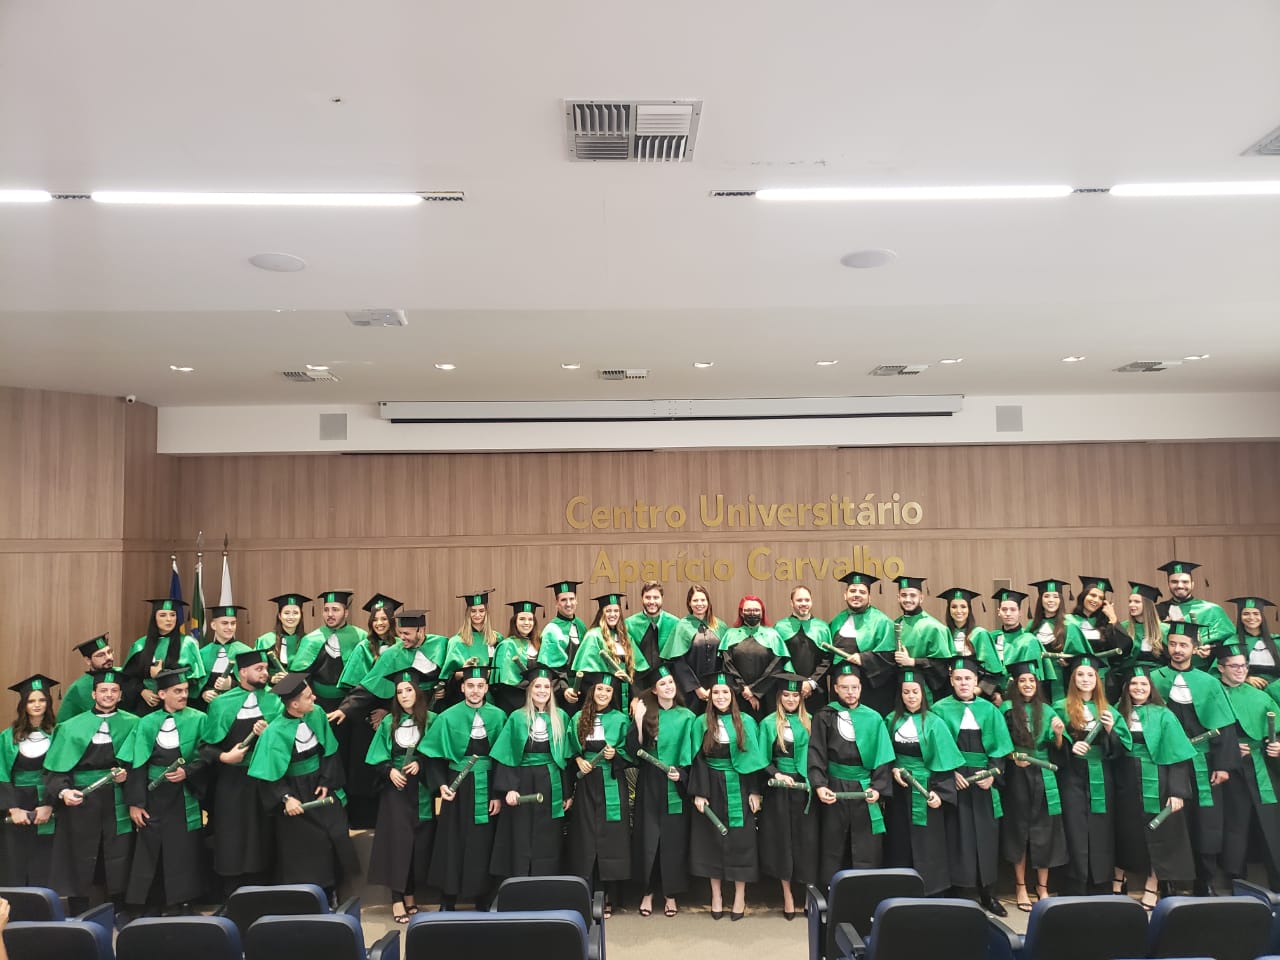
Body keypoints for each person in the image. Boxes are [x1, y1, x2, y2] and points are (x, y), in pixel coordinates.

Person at [247, 673, 360, 897]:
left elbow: (329, 751)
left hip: (321, 788)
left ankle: (334, 892)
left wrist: (327, 781)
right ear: (295, 704)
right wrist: (286, 798)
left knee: (336, 834)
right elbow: (268, 775)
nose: (314, 698)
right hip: (295, 793)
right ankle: (311, 896)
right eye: (308, 697)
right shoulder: (274, 732)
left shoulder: (317, 714)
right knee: (308, 845)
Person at [1150, 621, 1240, 895]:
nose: (1177, 649)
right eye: (1173, 644)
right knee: (1172, 819)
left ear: (1194, 648)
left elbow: (1225, 727)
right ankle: (1169, 884)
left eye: (1183, 645)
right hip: (1167, 761)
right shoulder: (1154, 679)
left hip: (1203, 761)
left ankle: (1205, 882)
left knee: (1206, 821)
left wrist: (1223, 766)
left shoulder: (1209, 682)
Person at [43, 668, 139, 914]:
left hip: (117, 800)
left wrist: (127, 777)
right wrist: (64, 793)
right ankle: (79, 910)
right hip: (81, 800)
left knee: (118, 853)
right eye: (103, 690)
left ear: (120, 695)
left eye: (114, 691)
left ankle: (119, 909)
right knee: (79, 854)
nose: (109, 695)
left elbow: (140, 765)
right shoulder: (70, 727)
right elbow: (54, 772)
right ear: (94, 694)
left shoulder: (134, 724)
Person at [118, 668, 208, 914]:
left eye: (186, 691)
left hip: (184, 793)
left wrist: (187, 772)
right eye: (177, 691)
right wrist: (136, 803)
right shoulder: (146, 722)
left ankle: (182, 904)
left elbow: (207, 755)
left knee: (183, 850)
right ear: (162, 694)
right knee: (151, 850)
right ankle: (151, 905)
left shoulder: (199, 718)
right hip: (152, 795)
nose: (183, 695)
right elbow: (137, 763)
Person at [932, 657, 1014, 915]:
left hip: (983, 779)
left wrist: (993, 774)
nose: (963, 683)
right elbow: (936, 747)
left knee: (986, 837)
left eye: (968, 678)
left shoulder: (989, 710)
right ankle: (961, 892)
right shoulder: (939, 709)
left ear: (976, 681)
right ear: (951, 681)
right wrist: (951, 772)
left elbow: (1001, 750)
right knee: (959, 837)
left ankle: (988, 893)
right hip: (955, 780)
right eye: (958, 679)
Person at [419, 665, 506, 910]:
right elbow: (431, 756)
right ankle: (448, 900)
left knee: (483, 843)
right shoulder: (448, 716)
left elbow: (504, 758)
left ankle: (483, 899)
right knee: (452, 842)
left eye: (480, 686)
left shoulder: (499, 716)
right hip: (457, 786)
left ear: (486, 688)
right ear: (462, 688)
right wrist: (441, 785)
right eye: (470, 686)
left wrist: (497, 794)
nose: (475, 691)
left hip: (487, 785)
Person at [197, 649, 281, 893]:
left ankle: (263, 892)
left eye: (266, 668)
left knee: (263, 835)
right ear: (242, 672)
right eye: (259, 669)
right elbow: (205, 747)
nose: (265, 673)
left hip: (264, 777)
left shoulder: (275, 700)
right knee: (231, 835)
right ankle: (232, 894)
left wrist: (269, 735)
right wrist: (224, 757)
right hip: (231, 780)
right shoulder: (221, 703)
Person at [1112, 665, 1195, 909]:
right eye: (1134, 683)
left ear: (1151, 688)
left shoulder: (1164, 714)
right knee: (1123, 830)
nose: (1139, 688)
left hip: (1158, 778)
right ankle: (1118, 881)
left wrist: (1177, 791)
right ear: (1126, 687)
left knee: (1159, 833)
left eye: (1144, 684)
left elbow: (1178, 755)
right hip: (1124, 780)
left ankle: (1152, 885)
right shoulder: (1117, 712)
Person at [807, 663, 894, 885]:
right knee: (832, 843)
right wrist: (819, 785)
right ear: (836, 688)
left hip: (864, 788)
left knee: (866, 845)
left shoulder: (874, 718)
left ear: (861, 688)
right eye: (845, 687)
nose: (850, 692)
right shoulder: (824, 716)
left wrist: (878, 787)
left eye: (854, 687)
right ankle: (829, 894)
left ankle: (866, 893)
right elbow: (816, 752)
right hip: (834, 786)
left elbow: (883, 756)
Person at [688, 673, 766, 921]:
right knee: (712, 839)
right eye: (716, 692)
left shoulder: (746, 721)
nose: (720, 696)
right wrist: (699, 792)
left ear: (732, 696)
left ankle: (740, 896)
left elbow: (753, 760)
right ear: (709, 696)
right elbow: (697, 760)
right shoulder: (701, 722)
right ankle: (717, 896)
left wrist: (755, 791)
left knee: (741, 840)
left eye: (725, 692)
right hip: (710, 785)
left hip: (739, 785)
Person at [1052, 654, 1131, 896]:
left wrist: (1110, 729)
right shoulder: (1060, 707)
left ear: (1097, 680)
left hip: (1101, 774)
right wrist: (1066, 743)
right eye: (1080, 674)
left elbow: (1123, 748)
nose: (1085, 679)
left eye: (1090, 675)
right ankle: (1074, 884)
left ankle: (1100, 884)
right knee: (1074, 826)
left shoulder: (1108, 710)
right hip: (1072, 774)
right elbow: (1051, 745)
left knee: (1101, 827)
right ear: (1073, 679)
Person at [291, 590, 369, 832]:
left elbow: (365, 676)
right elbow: (299, 675)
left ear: (346, 611)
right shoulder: (312, 639)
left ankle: (355, 813)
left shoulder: (360, 636)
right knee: (326, 756)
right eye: (326, 610)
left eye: (335, 609)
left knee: (352, 757)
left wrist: (353, 705)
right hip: (319, 707)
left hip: (351, 707)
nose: (330, 614)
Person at [364, 669, 436, 921]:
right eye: (400, 692)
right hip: (396, 789)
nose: (404, 695)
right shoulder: (388, 722)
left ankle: (410, 895)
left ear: (418, 692)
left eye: (409, 690)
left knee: (416, 845)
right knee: (397, 843)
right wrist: (389, 771)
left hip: (422, 787)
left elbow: (438, 752)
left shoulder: (432, 720)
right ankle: (397, 900)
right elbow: (376, 757)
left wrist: (421, 763)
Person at [489, 667, 573, 881]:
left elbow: (566, 759)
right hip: (522, 780)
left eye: (546, 687)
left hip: (551, 781)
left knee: (548, 835)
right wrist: (509, 788)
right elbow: (506, 754)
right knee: (521, 832)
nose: (542, 690)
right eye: (537, 686)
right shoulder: (517, 718)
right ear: (530, 690)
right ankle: (520, 883)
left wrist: (567, 793)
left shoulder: (561, 717)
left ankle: (545, 884)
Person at [884, 670, 963, 896]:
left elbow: (945, 762)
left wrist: (942, 794)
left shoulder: (935, 722)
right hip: (900, 791)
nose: (911, 696)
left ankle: (931, 892)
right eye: (906, 692)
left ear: (923, 694)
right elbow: (884, 755)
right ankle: (901, 890)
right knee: (900, 840)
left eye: (915, 692)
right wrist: (893, 769)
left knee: (928, 843)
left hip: (928, 790)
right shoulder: (891, 720)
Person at [628, 666, 697, 919]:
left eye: (671, 682)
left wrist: (682, 775)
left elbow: (693, 755)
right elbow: (633, 751)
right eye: (662, 684)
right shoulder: (647, 713)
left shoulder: (687, 716)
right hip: (650, 781)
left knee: (673, 840)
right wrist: (638, 721)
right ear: (654, 690)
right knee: (648, 837)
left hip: (675, 782)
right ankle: (647, 892)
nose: (668, 687)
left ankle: (670, 894)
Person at [1000, 661, 1066, 911]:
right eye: (1022, 681)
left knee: (1044, 831)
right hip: (1017, 775)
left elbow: (1058, 748)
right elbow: (999, 742)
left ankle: (1042, 887)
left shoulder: (1047, 710)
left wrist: (1058, 734)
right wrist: (1012, 757)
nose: (1027, 684)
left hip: (1044, 772)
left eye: (1031, 681)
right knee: (1019, 830)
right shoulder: (1006, 709)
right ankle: (1020, 886)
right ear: (1015, 684)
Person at [333, 592, 403, 828]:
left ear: (392, 621)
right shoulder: (363, 647)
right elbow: (356, 687)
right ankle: (362, 820)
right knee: (362, 768)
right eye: (375, 619)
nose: (379, 623)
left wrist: (387, 712)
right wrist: (367, 714)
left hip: (393, 715)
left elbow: (406, 686)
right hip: (364, 718)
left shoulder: (401, 647)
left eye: (384, 619)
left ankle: (388, 819)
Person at [566, 674, 633, 916]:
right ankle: (585, 894)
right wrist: (578, 760)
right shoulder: (578, 717)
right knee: (585, 837)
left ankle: (609, 896)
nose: (603, 694)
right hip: (586, 783)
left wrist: (616, 755)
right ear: (592, 691)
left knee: (611, 838)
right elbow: (569, 748)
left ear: (613, 694)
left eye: (608, 690)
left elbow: (631, 752)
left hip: (612, 781)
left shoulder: (621, 719)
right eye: (600, 689)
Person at [1216, 644, 1280, 889]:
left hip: (1261, 765)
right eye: (1234, 666)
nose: (1240, 670)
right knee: (1235, 824)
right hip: (1228, 769)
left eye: (1244, 665)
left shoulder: (1260, 697)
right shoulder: (1212, 694)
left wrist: (1276, 746)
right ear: (1221, 668)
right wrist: (1229, 748)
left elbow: (1276, 731)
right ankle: (1233, 883)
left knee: (1270, 822)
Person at [756, 674, 819, 919]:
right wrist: (777, 774)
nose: (791, 699)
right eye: (786, 695)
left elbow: (819, 757)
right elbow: (761, 758)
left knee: (807, 842)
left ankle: (808, 895)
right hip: (779, 789)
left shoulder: (811, 722)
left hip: (805, 789)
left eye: (795, 695)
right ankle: (787, 895)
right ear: (779, 697)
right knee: (783, 842)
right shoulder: (768, 723)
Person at [0, 674, 57, 886]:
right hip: (16, 802)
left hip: (47, 800)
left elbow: (62, 772)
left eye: (42, 700)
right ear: (23, 704)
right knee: (14, 860)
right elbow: (1, 773)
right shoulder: (8, 737)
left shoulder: (58, 734)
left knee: (43, 860)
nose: (37, 705)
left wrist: (49, 805)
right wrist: (13, 809)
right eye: (31, 700)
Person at [827, 572, 897, 715]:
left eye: (862, 592)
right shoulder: (837, 620)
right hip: (841, 690)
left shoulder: (882, 622)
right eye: (853, 591)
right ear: (845, 595)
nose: (856, 595)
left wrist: (863, 658)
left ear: (869, 597)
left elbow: (890, 656)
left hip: (871, 691)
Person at [121, 598, 205, 715]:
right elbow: (128, 677)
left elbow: (196, 679)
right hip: (147, 706)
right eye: (163, 615)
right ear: (154, 618)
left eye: (172, 615)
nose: (169, 619)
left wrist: (162, 675)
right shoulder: (141, 645)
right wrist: (142, 691)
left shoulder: (187, 644)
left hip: (178, 707)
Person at [573, 593, 649, 711]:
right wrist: (611, 676)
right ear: (602, 613)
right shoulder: (594, 636)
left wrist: (636, 697)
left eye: (616, 611)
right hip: (605, 697)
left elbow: (637, 672)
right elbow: (587, 675)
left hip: (626, 696)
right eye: (608, 611)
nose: (612, 614)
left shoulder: (626, 637)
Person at [718, 596, 788, 719]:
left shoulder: (772, 635)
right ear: (741, 612)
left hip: (767, 695)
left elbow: (776, 667)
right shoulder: (730, 634)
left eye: (756, 610)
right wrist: (744, 689)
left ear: (762, 613)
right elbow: (727, 665)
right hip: (738, 695)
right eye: (748, 610)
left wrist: (754, 691)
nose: (752, 613)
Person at [662, 585, 725, 712]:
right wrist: (696, 688)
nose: (699, 604)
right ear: (689, 603)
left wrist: (715, 686)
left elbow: (725, 659)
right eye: (695, 600)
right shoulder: (682, 626)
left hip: (716, 691)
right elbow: (678, 661)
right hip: (690, 691)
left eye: (703, 600)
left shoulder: (720, 625)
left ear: (708, 602)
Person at [891, 576, 954, 702]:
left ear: (921, 598)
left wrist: (912, 662)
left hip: (925, 691)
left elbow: (941, 665)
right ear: (898, 597)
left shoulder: (934, 627)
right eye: (904, 595)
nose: (908, 599)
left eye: (913, 595)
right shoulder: (896, 625)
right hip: (899, 689)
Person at [937, 588, 1005, 702]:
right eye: (954, 607)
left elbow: (994, 671)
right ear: (949, 610)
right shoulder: (944, 634)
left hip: (977, 695)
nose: (959, 611)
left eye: (963, 606)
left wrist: (977, 690)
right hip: (949, 694)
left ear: (969, 609)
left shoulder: (979, 634)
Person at [1156, 560, 1236, 656]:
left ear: (1192, 584)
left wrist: (1212, 648)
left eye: (1185, 582)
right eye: (1174, 582)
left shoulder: (1212, 610)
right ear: (1168, 584)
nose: (1180, 585)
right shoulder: (1158, 611)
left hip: (1205, 663)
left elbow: (1230, 639)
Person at [1025, 580, 1087, 703]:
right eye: (1046, 596)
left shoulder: (1069, 625)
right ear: (1040, 600)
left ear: (1061, 600)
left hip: (1062, 679)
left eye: (1055, 596)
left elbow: (1081, 657)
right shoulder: (1032, 626)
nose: (1051, 600)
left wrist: (1069, 662)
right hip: (1039, 678)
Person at [773, 586, 833, 709]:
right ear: (791, 603)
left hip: (816, 689)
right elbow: (777, 660)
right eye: (799, 600)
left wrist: (811, 683)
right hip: (788, 691)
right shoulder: (780, 627)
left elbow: (827, 660)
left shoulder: (822, 627)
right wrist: (796, 684)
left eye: (807, 600)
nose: (804, 603)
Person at [443, 591, 503, 707]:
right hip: (465, 698)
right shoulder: (457, 642)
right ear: (468, 613)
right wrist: (464, 671)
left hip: (492, 697)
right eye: (473, 611)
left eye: (481, 611)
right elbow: (449, 678)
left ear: (487, 613)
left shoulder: (496, 639)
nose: (477, 615)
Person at [1113, 582, 1169, 699]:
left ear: (1148, 605)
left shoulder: (1164, 629)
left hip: (1157, 679)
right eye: (1130, 601)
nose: (1131, 605)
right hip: (1130, 680)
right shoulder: (1123, 628)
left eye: (1137, 602)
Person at [491, 600, 547, 713]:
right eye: (522, 619)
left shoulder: (539, 644)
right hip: (513, 701)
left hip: (536, 700)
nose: (526, 623)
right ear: (514, 622)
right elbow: (506, 682)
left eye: (530, 619)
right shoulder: (507, 645)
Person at [626, 581, 681, 691]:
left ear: (662, 598)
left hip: (668, 683)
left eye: (656, 597)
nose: (651, 602)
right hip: (639, 683)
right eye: (647, 597)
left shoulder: (675, 623)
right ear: (642, 598)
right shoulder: (629, 624)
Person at [538, 581, 587, 697]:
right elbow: (551, 669)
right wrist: (564, 690)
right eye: (563, 600)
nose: (568, 603)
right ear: (556, 603)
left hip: (583, 686)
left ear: (576, 600)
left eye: (572, 599)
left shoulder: (581, 625)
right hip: (563, 689)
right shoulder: (551, 630)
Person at [196, 605, 252, 707]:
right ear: (213, 625)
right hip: (209, 707)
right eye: (224, 623)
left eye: (233, 623)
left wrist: (232, 684)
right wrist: (203, 693)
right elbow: (196, 685)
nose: (230, 627)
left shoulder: (247, 652)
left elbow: (255, 684)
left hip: (238, 706)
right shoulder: (202, 653)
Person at [57, 635, 120, 722]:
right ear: (88, 660)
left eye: (109, 652)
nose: (109, 657)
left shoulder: (124, 675)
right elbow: (64, 724)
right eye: (101, 655)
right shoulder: (78, 688)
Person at [255, 593, 312, 681]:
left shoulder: (308, 641)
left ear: (301, 616)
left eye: (295, 613)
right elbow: (255, 670)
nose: (291, 617)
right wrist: (271, 679)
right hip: (272, 688)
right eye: (286, 613)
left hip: (301, 686)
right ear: (279, 615)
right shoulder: (265, 641)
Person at [1228, 597, 1280, 686]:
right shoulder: (1232, 642)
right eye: (1246, 614)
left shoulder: (1277, 641)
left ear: (1262, 616)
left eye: (1256, 613)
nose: (1251, 617)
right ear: (1240, 617)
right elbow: (1222, 671)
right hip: (1246, 687)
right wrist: (1245, 679)